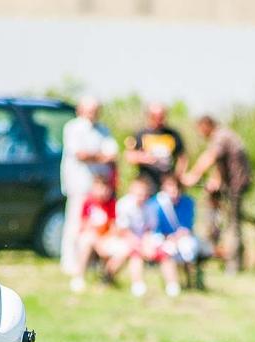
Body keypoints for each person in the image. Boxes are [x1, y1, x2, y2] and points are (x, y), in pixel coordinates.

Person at [182, 116, 252, 273]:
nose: (200, 134)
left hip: (236, 186)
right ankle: (210, 253)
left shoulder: (221, 136)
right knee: (214, 216)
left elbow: (210, 157)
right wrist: (215, 180)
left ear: (207, 125)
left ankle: (233, 266)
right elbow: (222, 163)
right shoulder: (223, 136)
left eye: (201, 130)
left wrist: (193, 176)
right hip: (229, 185)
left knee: (233, 225)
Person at [60, 96, 118, 277]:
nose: (92, 113)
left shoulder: (103, 130)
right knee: (75, 223)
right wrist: (100, 156)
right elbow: (80, 154)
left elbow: (112, 153)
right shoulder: (73, 128)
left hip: (99, 187)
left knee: (97, 224)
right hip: (79, 183)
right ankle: (70, 262)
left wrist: (99, 157)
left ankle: (90, 262)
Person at [114, 177, 182, 298]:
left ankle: (172, 285)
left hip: (145, 239)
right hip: (126, 239)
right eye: (139, 194)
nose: (142, 197)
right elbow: (122, 230)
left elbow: (149, 229)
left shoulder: (150, 206)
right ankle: (137, 285)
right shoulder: (123, 204)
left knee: (165, 252)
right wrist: (139, 244)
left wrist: (147, 243)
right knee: (136, 254)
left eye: (145, 194)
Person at [149, 173, 205, 290]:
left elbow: (186, 227)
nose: (173, 191)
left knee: (188, 248)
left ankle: (192, 283)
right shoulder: (155, 204)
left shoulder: (187, 202)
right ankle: (172, 284)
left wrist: (175, 238)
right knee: (167, 251)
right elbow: (154, 228)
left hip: (181, 240)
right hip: (163, 239)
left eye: (175, 187)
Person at [125, 103, 187, 191]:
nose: (159, 119)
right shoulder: (140, 134)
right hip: (147, 185)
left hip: (167, 186)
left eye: (161, 116)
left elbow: (182, 157)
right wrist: (145, 158)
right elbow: (129, 156)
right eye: (155, 116)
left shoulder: (173, 134)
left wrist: (177, 177)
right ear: (149, 116)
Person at [70, 175, 117, 293]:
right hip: (91, 238)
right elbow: (84, 225)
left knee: (119, 249)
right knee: (87, 241)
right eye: (100, 188)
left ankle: (107, 277)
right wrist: (97, 239)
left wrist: (104, 238)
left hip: (105, 238)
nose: (103, 192)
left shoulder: (111, 204)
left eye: (106, 188)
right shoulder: (88, 203)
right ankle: (79, 276)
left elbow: (113, 226)